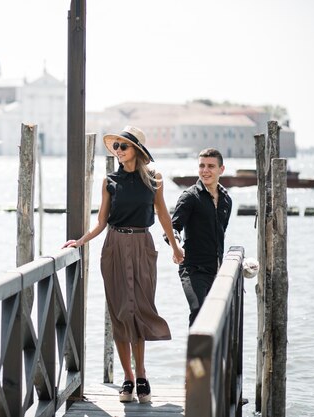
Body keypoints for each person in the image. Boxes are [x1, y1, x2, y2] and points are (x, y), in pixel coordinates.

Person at [62, 126, 184, 404]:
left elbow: (163, 214)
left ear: (137, 151)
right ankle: (128, 378)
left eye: (123, 146)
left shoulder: (154, 179)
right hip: (114, 246)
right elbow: (101, 221)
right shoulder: (109, 181)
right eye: (116, 146)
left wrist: (175, 248)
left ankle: (142, 374)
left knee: (139, 310)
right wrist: (80, 241)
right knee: (119, 312)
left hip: (143, 245)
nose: (117, 151)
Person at [169, 148, 232, 326]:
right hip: (192, 269)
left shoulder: (227, 200)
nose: (205, 170)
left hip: (216, 271)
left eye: (211, 166)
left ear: (221, 170)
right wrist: (176, 246)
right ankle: (196, 355)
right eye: (202, 166)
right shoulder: (189, 197)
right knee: (198, 311)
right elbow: (173, 228)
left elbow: (221, 234)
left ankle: (212, 354)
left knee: (217, 319)